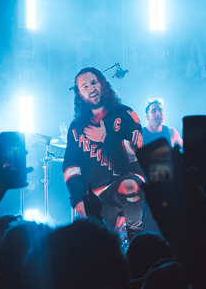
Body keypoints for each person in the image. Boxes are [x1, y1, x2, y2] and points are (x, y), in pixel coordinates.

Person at [62, 67, 146, 239]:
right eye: (85, 86)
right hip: (94, 195)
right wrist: (78, 200)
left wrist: (105, 138)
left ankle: (136, 238)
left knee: (129, 184)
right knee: (100, 245)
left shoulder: (126, 114)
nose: (91, 88)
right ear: (79, 94)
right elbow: (70, 166)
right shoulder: (77, 126)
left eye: (94, 82)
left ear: (103, 84)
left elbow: (135, 154)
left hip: (123, 186)